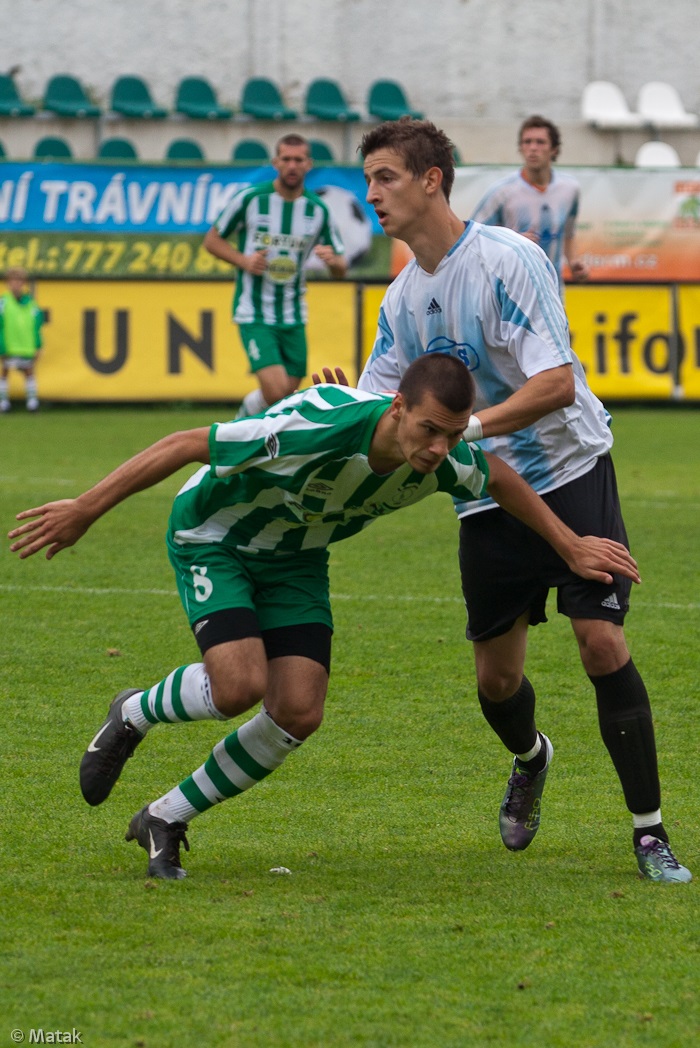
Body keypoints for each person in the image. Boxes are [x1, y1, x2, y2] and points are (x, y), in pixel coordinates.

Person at [8, 354, 639, 881]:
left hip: (297, 558)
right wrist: (86, 509)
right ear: (396, 407)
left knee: (299, 711)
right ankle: (134, 711)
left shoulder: (442, 457)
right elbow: (182, 444)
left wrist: (570, 544)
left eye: (453, 433)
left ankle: (165, 817)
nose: (439, 448)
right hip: (216, 537)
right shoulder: (314, 429)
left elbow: (499, 476)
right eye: (428, 430)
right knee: (238, 687)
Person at [356, 117, 691, 883]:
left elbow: (556, 382)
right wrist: (345, 409)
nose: (372, 193)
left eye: (385, 177)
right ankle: (530, 757)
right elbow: (383, 410)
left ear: (431, 179)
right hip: (483, 497)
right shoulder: (402, 300)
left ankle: (649, 833)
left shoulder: (510, 260)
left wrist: (462, 429)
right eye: (370, 179)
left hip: (570, 469)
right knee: (496, 682)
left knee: (600, 641)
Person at [203, 132, 347, 419]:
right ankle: (240, 432)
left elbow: (341, 267)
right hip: (254, 312)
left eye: (298, 160)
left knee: (285, 394)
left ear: (309, 164)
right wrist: (243, 260)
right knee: (276, 392)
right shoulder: (251, 199)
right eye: (286, 159)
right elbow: (212, 241)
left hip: (294, 314)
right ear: (275, 162)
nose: (292, 165)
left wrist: (333, 263)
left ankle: (246, 419)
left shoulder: (318, 210)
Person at [470, 115, 589, 298]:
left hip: (553, 294)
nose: (533, 148)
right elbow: (474, 237)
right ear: (520, 148)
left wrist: (573, 262)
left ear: (554, 150)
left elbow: (568, 232)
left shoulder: (570, 189)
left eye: (540, 142)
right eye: (527, 142)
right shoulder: (502, 192)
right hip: (512, 295)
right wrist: (511, 240)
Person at [0, 267, 44, 412]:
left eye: (19, 281)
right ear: (8, 283)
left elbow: (37, 324)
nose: (16, 284)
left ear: (23, 283)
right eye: (13, 281)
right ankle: (3, 402)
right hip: (9, 345)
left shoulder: (31, 303)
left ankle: (32, 402)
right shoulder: (3, 302)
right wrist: (1, 345)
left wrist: (38, 344)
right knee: (5, 371)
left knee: (29, 372)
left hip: (26, 345)